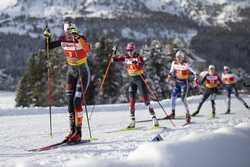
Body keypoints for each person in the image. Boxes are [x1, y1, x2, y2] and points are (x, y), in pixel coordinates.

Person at [43, 22, 91, 142]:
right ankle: (72, 131)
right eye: (67, 32)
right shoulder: (63, 39)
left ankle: (78, 133)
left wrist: (78, 37)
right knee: (70, 102)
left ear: (75, 31)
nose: (69, 35)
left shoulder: (81, 39)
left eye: (71, 32)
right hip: (71, 72)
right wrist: (47, 37)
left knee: (77, 101)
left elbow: (87, 49)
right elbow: (48, 47)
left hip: (82, 71)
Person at [112, 42, 159, 128]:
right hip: (132, 80)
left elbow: (141, 63)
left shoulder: (138, 57)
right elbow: (114, 59)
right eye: (128, 50)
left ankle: (154, 118)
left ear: (134, 50)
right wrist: (114, 52)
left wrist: (137, 63)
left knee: (145, 100)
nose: (129, 52)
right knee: (131, 100)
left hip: (140, 79)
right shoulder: (126, 57)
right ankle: (132, 121)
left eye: (131, 50)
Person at [166, 50, 197, 123]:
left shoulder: (186, 65)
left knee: (183, 99)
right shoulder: (174, 63)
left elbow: (195, 72)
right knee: (173, 97)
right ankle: (173, 113)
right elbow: (171, 71)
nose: (179, 59)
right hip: (177, 83)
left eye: (180, 57)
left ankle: (188, 114)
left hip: (184, 83)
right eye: (177, 57)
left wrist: (195, 79)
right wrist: (169, 76)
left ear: (183, 58)